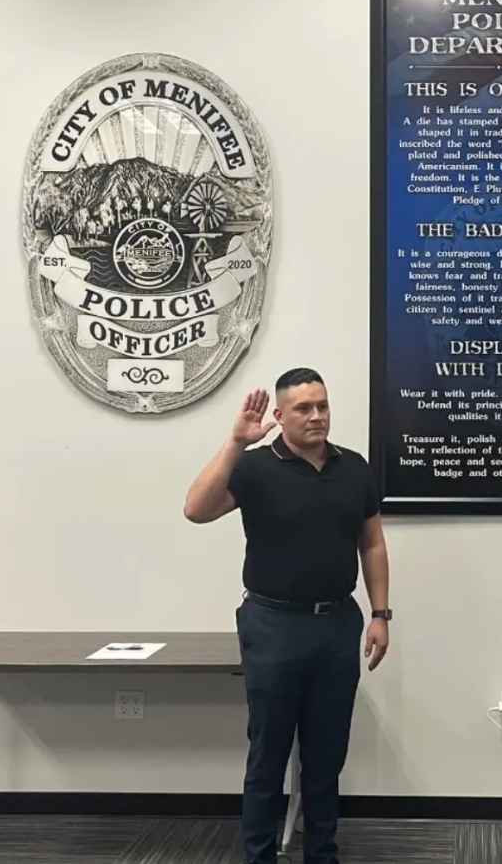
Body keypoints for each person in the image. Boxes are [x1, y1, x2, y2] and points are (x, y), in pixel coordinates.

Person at [183, 368, 391, 864]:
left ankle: (322, 854)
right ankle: (259, 856)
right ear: (279, 416)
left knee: (326, 756)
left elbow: (373, 543)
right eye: (303, 408)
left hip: (337, 624)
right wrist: (236, 441)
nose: (316, 416)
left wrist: (380, 614)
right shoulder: (255, 467)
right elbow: (196, 509)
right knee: (269, 754)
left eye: (323, 405)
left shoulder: (354, 468)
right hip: (273, 625)